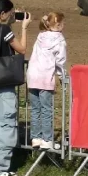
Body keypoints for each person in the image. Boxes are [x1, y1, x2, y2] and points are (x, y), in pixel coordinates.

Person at [0, 0, 30, 176]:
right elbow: (21, 49)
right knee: (5, 125)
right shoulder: (4, 30)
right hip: (3, 84)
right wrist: (24, 27)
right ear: (3, 13)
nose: (12, 15)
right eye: (10, 13)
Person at [27, 11, 68, 151]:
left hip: (32, 76)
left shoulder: (40, 36)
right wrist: (63, 77)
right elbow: (60, 61)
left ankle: (35, 138)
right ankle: (47, 140)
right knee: (46, 109)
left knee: (35, 109)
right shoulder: (59, 40)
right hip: (45, 77)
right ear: (58, 24)